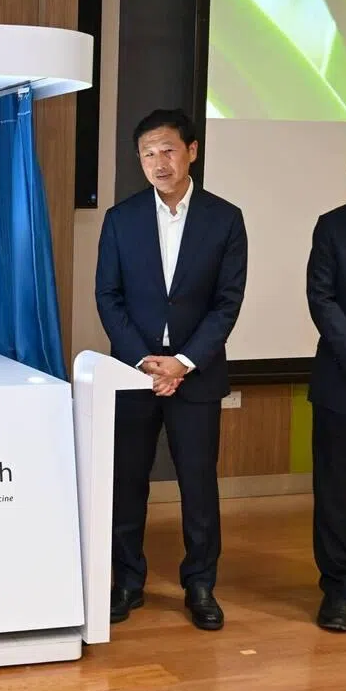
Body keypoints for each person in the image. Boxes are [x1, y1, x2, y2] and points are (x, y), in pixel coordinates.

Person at [95, 109, 247, 631]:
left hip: (196, 374)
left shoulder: (225, 219)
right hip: (133, 374)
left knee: (198, 485)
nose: (158, 162)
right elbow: (108, 298)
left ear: (192, 152)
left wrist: (181, 363)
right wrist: (144, 360)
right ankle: (125, 581)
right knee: (126, 482)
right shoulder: (120, 219)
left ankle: (200, 584)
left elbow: (227, 303)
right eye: (148, 153)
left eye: (168, 150)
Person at [305, 129, 346, 633]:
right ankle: (337, 590)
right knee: (335, 498)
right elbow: (321, 300)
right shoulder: (332, 228)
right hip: (342, 387)